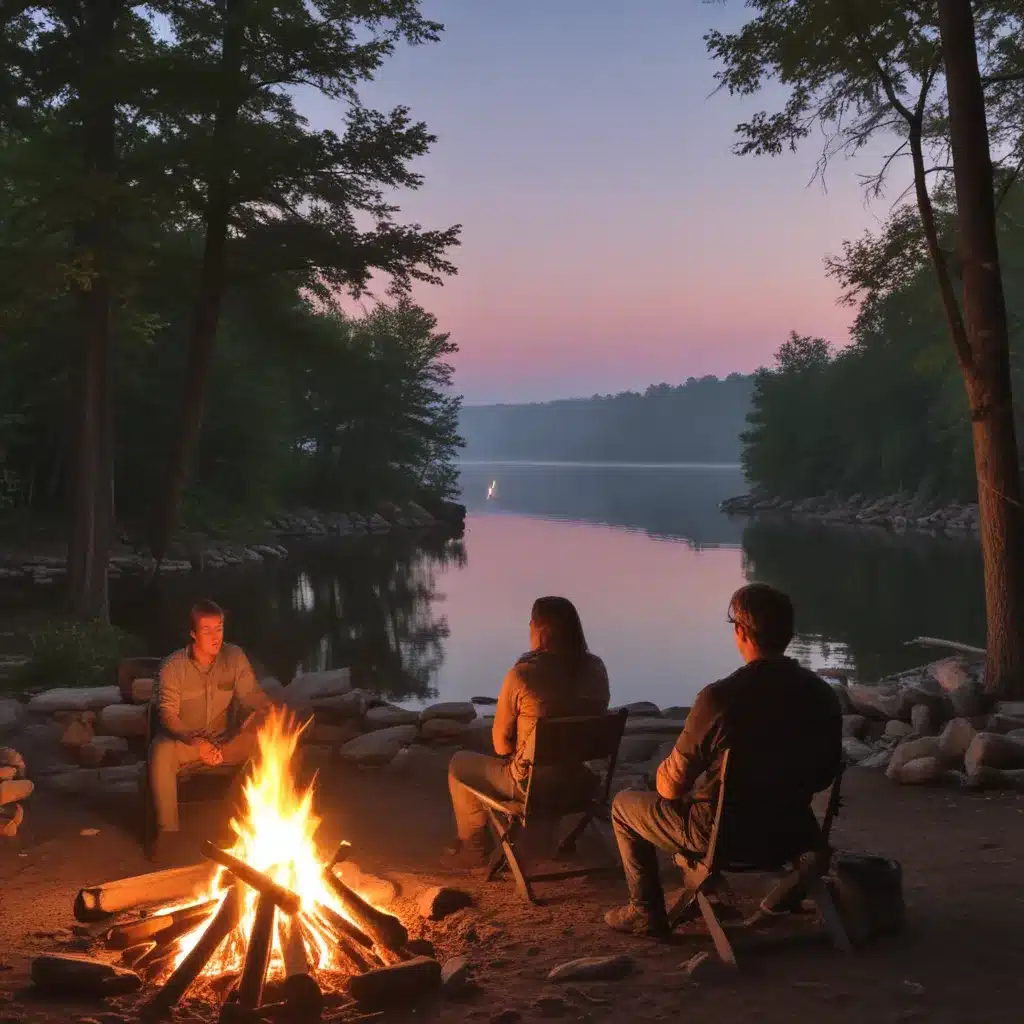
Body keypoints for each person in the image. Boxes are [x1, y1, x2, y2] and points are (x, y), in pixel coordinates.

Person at [604, 583, 842, 937]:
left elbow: (669, 788)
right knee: (696, 793)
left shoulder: (719, 699)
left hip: (724, 838)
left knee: (625, 805)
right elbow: (824, 774)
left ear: (741, 632)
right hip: (793, 832)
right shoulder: (822, 695)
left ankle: (645, 911)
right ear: (789, 635)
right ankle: (714, 890)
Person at [444, 596, 610, 870]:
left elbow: (500, 746)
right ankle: (560, 840)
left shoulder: (522, 675)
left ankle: (474, 848)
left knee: (459, 764)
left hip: (534, 787)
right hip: (580, 782)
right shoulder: (596, 669)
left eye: (531, 625)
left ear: (541, 630)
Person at [147, 599, 274, 862]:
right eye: (207, 630)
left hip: (225, 743)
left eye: (220, 628)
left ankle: (236, 823)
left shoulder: (234, 657)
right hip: (186, 744)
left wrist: (267, 711)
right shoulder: (173, 667)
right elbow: (167, 714)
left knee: (268, 743)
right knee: (160, 751)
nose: (216, 637)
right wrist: (196, 743)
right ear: (193, 633)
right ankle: (168, 833)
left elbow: (251, 694)